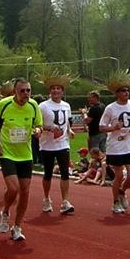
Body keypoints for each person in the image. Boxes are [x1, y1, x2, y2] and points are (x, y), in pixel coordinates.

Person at [0, 78, 43, 241]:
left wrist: (38, 130)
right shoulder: (3, 105)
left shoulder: (33, 106)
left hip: (25, 154)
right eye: (22, 91)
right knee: (13, 189)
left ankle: (17, 227)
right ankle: (5, 211)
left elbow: (38, 124)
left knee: (25, 191)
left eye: (28, 90)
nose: (26, 94)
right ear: (15, 92)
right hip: (7, 153)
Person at [99, 70, 130, 214]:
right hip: (116, 146)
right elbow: (101, 127)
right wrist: (113, 127)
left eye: (127, 91)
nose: (126, 93)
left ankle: (122, 191)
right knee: (119, 175)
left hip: (129, 144)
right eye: (123, 91)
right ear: (117, 93)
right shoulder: (110, 108)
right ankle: (115, 201)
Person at [38, 71, 75, 215]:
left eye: (58, 88)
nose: (56, 91)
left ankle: (65, 201)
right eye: (53, 88)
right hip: (47, 144)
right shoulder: (43, 106)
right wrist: (49, 128)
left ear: (62, 91)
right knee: (48, 173)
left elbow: (67, 122)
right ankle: (46, 198)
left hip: (63, 144)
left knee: (65, 172)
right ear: (49, 91)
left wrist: (69, 131)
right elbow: (37, 124)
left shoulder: (66, 105)